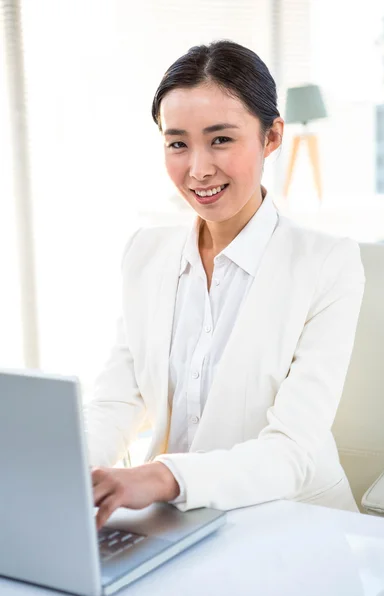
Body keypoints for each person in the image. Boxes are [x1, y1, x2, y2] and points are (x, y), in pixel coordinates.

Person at [85, 40, 365, 530]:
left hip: (295, 524)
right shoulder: (145, 254)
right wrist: (71, 473)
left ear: (272, 136)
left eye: (220, 140)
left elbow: (290, 451)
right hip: (174, 525)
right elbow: (117, 399)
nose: (198, 169)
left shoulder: (328, 263)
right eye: (177, 143)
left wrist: (162, 476)